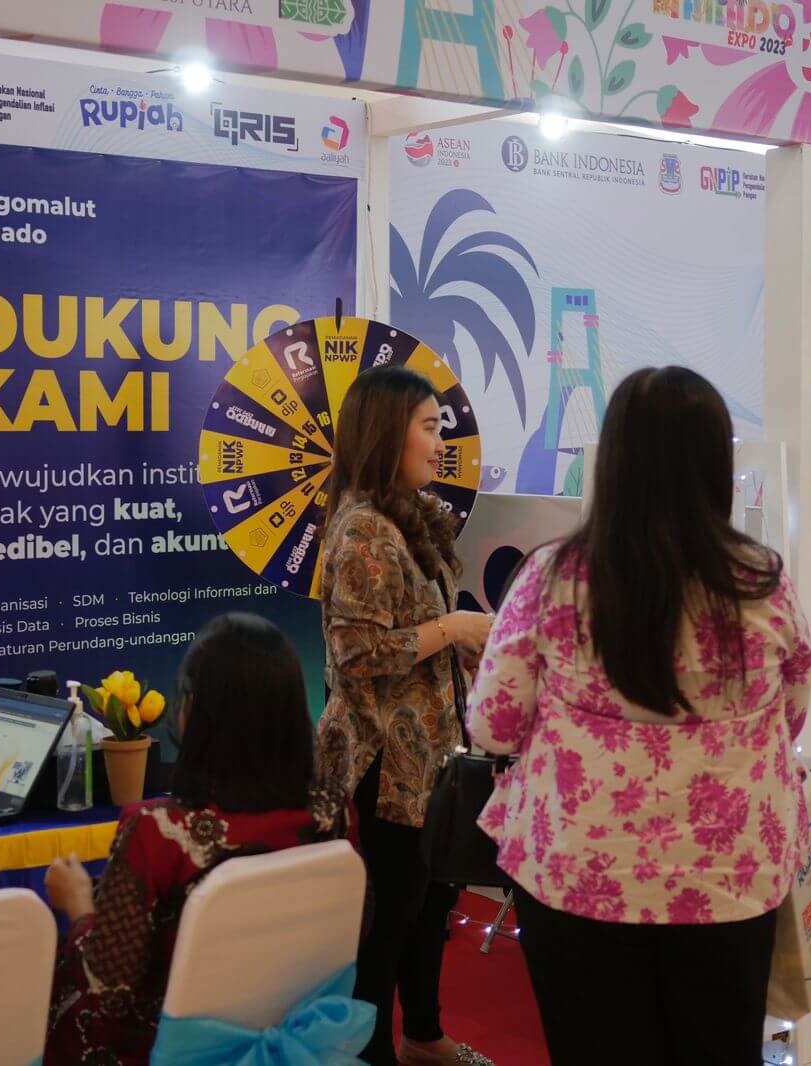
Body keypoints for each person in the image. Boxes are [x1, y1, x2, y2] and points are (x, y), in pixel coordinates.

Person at [465, 367, 811, 1065]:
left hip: (578, 871)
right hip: (730, 877)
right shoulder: (761, 583)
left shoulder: (552, 577)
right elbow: (793, 713)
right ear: (715, 464)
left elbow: (492, 724)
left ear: (615, 460)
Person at [43, 614, 361, 1066]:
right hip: (298, 1041)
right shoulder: (334, 812)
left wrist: (78, 905)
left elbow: (105, 995)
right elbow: (354, 929)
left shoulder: (158, 832)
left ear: (194, 711)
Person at [315, 366, 493, 1066]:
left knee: (429, 906)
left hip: (429, 760)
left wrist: (462, 646)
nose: (439, 442)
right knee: (387, 919)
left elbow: (418, 638)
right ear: (389, 433)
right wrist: (453, 628)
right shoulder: (364, 529)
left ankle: (423, 1034)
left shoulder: (407, 518)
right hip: (381, 764)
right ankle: (371, 1052)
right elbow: (357, 654)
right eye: (427, 426)